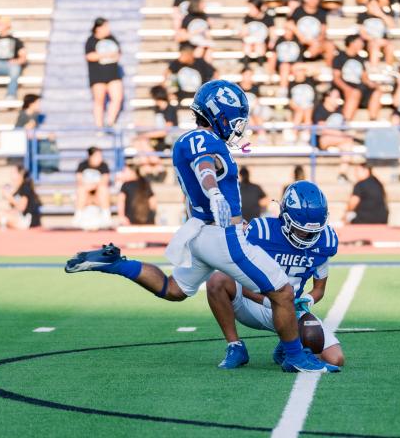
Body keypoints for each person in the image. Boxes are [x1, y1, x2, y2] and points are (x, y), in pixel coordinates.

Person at [65, 80, 339, 373]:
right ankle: (295, 357)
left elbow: (205, 164)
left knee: (174, 289)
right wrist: (214, 191)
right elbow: (204, 166)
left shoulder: (188, 140)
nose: (238, 126)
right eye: (235, 119)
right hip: (222, 234)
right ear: (219, 114)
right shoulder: (205, 142)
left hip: (197, 231)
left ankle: (117, 264)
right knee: (282, 292)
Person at [206, 181, 344, 368]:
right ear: (284, 217)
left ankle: (285, 347)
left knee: (336, 358)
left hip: (290, 311)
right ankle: (235, 346)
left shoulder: (325, 240)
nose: (307, 236)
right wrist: (271, 301)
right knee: (218, 279)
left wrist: (307, 301)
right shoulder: (261, 232)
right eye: (301, 229)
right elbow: (241, 281)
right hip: (253, 303)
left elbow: (319, 289)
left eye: (312, 231)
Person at [332, 35, 381, 121]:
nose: (362, 44)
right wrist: (346, 89)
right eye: (359, 42)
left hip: (359, 87)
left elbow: (364, 77)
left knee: (377, 92)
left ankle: (373, 119)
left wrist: (372, 84)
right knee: (355, 92)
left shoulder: (360, 59)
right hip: (344, 87)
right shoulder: (340, 57)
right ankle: (346, 122)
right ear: (352, 43)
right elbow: (336, 78)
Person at [85, 18, 123, 129]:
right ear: (98, 28)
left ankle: (110, 122)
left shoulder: (112, 38)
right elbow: (89, 56)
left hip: (113, 74)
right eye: (105, 26)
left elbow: (118, 54)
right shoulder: (91, 40)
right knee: (99, 101)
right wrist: (106, 54)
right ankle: (99, 126)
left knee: (117, 97)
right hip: (98, 75)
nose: (108, 29)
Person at [286, 0, 335, 66]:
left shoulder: (322, 12)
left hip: (316, 43)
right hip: (299, 42)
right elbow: (289, 24)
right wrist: (303, 38)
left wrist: (315, 42)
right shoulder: (298, 10)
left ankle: (329, 69)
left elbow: (323, 32)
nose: (313, 0)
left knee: (330, 45)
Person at [314, 87, 352, 183]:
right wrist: (341, 134)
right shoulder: (320, 109)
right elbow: (323, 129)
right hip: (323, 139)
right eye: (336, 96)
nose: (338, 99)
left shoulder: (339, 110)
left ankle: (342, 174)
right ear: (327, 97)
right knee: (347, 140)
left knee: (348, 144)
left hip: (338, 138)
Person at [0, 16, 26, 100]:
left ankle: (11, 95)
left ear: (8, 25)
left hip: (10, 64)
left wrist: (17, 61)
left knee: (15, 70)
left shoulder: (16, 40)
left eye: (1, 24)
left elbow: (23, 57)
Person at [0, 165, 42, 229]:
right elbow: (13, 208)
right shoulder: (17, 188)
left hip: (27, 221)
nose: (11, 175)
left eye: (13, 173)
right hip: (20, 218)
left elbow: (21, 207)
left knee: (1, 216)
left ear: (20, 174)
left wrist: (9, 197)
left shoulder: (25, 187)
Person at [74, 146, 112, 228]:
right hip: (86, 194)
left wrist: (93, 186)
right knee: (81, 190)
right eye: (97, 156)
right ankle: (78, 215)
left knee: (103, 189)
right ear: (90, 156)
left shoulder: (104, 165)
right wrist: (87, 187)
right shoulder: (82, 165)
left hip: (98, 194)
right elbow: (79, 180)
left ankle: (106, 215)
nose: (100, 158)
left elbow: (105, 180)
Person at [357, 0, 395, 67]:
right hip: (369, 42)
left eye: (375, 5)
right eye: (371, 5)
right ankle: (374, 68)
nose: (373, 7)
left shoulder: (384, 14)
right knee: (374, 46)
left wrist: (381, 14)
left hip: (382, 41)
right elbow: (363, 33)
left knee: (390, 46)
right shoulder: (362, 16)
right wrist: (374, 39)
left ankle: (389, 68)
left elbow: (392, 26)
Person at [241, 0, 276, 67]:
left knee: (259, 45)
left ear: (258, 7)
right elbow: (244, 32)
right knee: (247, 46)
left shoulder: (267, 18)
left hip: (262, 43)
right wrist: (246, 36)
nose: (249, 10)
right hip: (250, 43)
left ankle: (261, 64)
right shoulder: (248, 18)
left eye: (252, 8)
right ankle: (246, 65)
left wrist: (272, 41)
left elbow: (272, 32)